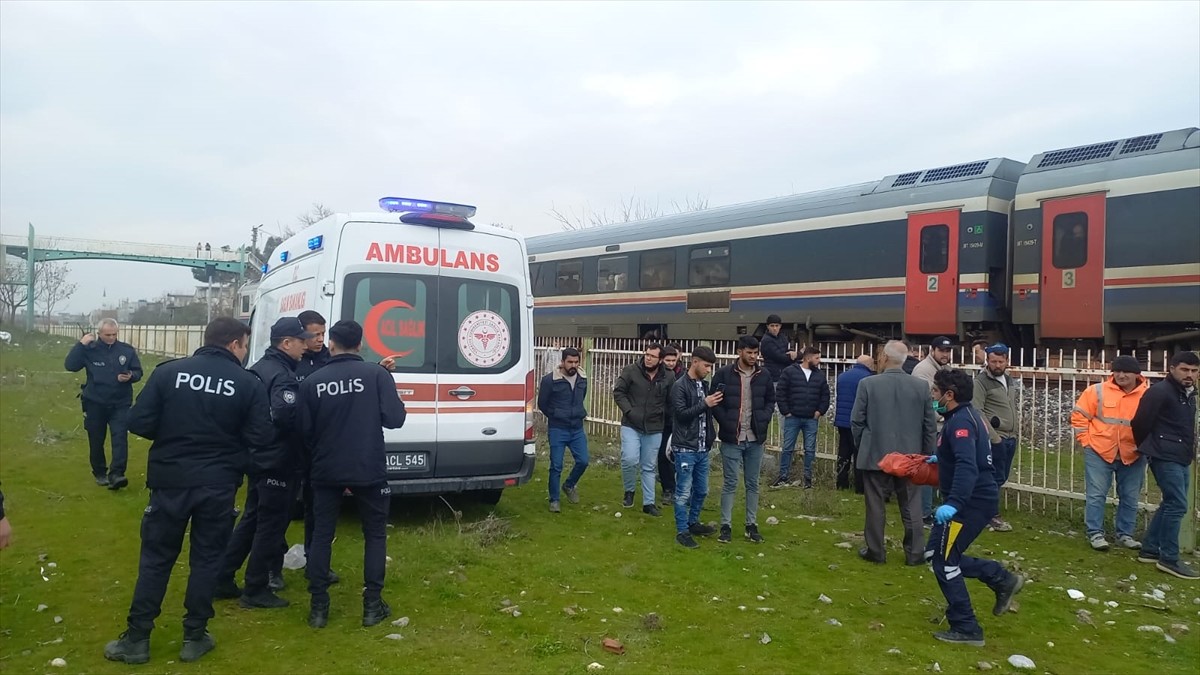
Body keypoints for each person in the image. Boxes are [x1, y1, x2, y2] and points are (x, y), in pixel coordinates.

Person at [103, 317, 273, 665]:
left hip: (171, 480)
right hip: (218, 484)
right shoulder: (247, 383)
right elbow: (261, 438)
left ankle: (137, 639)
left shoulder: (169, 373)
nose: (244, 352)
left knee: (156, 560)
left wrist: (175, 434)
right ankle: (194, 636)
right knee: (207, 560)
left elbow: (138, 421)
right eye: (243, 345)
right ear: (233, 345)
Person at [297, 320, 408, 628]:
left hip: (325, 467)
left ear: (332, 343)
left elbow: (303, 430)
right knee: (374, 535)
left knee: (321, 535)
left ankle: (318, 607)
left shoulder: (313, 381)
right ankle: (372, 605)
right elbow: (395, 419)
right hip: (367, 466)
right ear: (360, 345)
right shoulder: (377, 375)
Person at [924, 368, 1024, 646]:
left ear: (949, 395)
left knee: (945, 563)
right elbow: (967, 455)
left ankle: (967, 626)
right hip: (974, 499)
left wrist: (954, 504)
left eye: (935, 391)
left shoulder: (960, 424)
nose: (932, 395)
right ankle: (1001, 579)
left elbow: (968, 465)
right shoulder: (964, 416)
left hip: (970, 503)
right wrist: (940, 459)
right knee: (935, 553)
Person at [215, 317, 310, 608]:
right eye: (301, 341)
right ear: (286, 343)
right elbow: (284, 415)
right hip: (277, 459)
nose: (305, 346)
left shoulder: (256, 368)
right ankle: (255, 587)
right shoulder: (282, 375)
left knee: (252, 518)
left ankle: (222, 576)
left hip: (256, 457)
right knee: (271, 525)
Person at [851, 340, 936, 566]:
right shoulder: (920, 387)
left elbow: (856, 421)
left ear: (884, 358)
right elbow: (930, 425)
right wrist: (926, 456)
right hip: (910, 458)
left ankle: (876, 551)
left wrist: (865, 446)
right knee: (911, 506)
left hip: (875, 456)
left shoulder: (868, 384)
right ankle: (915, 553)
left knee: (875, 506)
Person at [1131, 351, 1199, 580]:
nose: (1189, 375)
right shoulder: (1159, 392)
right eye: (1184, 370)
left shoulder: (1188, 393)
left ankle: (1150, 549)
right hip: (1163, 455)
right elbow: (1140, 422)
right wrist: (1151, 447)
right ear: (1172, 369)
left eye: (1194, 371)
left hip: (1181, 455)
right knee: (1178, 504)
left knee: (1171, 502)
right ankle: (1169, 558)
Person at [1071, 355, 1149, 552]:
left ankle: (1125, 535)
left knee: (1130, 496)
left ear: (1136, 375)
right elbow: (1079, 416)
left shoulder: (1148, 395)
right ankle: (1095, 533)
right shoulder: (1097, 391)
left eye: (1126, 372)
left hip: (1133, 453)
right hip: (1099, 451)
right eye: (1117, 371)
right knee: (1096, 495)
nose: (1121, 375)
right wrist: (1086, 442)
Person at [65, 318, 143, 489]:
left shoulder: (126, 351)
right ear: (99, 333)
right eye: (108, 335)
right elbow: (70, 366)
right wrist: (81, 345)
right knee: (96, 439)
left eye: (114, 334)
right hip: (95, 402)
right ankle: (100, 472)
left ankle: (117, 474)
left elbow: (138, 372)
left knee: (120, 438)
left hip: (120, 403)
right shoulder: (89, 350)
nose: (111, 338)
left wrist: (130, 376)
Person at [711, 336, 775, 544]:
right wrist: (726, 422)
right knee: (730, 483)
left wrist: (763, 418)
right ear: (739, 351)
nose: (753, 356)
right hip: (732, 438)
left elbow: (770, 400)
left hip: (755, 438)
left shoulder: (763, 375)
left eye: (756, 353)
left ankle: (751, 525)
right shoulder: (723, 374)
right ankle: (726, 526)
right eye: (749, 352)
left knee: (752, 484)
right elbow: (715, 401)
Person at [612, 343, 676, 516]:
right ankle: (629, 491)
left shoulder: (668, 377)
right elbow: (618, 392)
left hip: (655, 427)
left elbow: (672, 401)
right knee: (630, 459)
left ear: (660, 360)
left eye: (652, 356)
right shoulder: (631, 370)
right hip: (631, 424)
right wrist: (629, 411)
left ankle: (649, 503)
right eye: (647, 354)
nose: (648, 358)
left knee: (649, 466)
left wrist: (666, 416)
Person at [669, 346, 721, 549]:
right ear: (695, 362)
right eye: (707, 365)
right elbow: (680, 414)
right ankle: (682, 530)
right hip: (685, 447)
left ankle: (693, 522)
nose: (709, 370)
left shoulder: (704, 385)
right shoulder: (679, 386)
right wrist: (705, 404)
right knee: (683, 491)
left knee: (702, 490)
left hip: (702, 446)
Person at [973, 343, 1019, 532]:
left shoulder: (1009, 380)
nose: (997, 365)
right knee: (992, 478)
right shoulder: (981, 382)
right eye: (993, 361)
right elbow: (977, 410)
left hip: (1010, 437)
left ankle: (983, 510)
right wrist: (994, 438)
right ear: (988, 361)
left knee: (1001, 477)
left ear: (1007, 361)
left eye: (1001, 361)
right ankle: (990, 514)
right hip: (996, 438)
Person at [538, 347, 589, 513]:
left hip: (576, 428)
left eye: (576, 362)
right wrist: (555, 415)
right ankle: (554, 500)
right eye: (570, 362)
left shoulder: (583, 378)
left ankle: (569, 485)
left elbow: (582, 397)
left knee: (583, 461)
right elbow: (542, 404)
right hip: (558, 428)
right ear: (562, 362)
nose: (573, 365)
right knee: (556, 465)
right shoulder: (549, 380)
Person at [912, 336, 955, 525]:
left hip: (942, 426)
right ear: (933, 350)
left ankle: (937, 507)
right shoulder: (923, 370)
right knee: (928, 469)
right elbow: (928, 402)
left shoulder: (945, 370)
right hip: (931, 427)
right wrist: (945, 413)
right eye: (942, 351)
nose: (945, 354)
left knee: (941, 468)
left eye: (947, 351)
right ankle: (924, 513)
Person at [774, 346, 830, 488]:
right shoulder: (790, 372)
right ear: (807, 358)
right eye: (816, 358)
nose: (819, 361)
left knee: (810, 449)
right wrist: (786, 412)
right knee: (787, 448)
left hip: (811, 418)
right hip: (793, 417)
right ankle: (783, 476)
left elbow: (825, 395)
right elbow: (780, 392)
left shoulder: (819, 375)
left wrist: (819, 412)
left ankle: (808, 479)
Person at [835, 355, 874, 493]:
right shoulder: (868, 379)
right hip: (858, 422)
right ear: (869, 364)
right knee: (859, 454)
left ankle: (841, 483)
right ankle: (860, 486)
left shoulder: (842, 376)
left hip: (842, 421)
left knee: (843, 454)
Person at [657, 345, 685, 505]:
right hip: (663, 421)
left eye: (673, 360)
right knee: (663, 456)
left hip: (679, 421)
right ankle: (667, 489)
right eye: (668, 360)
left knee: (680, 456)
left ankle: (681, 489)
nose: (671, 363)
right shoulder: (659, 375)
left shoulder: (683, 374)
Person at [295, 310, 331, 380]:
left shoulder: (330, 358)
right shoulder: (291, 360)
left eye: (323, 334)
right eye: (316, 335)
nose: (321, 339)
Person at [760, 314, 795, 383]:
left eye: (777, 326)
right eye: (772, 326)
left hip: (782, 375)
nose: (775, 328)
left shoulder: (782, 337)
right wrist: (795, 355)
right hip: (773, 376)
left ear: (780, 326)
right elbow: (781, 357)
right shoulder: (766, 341)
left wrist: (793, 353)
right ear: (767, 326)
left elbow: (786, 351)